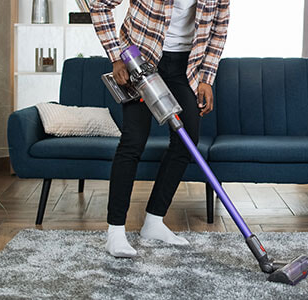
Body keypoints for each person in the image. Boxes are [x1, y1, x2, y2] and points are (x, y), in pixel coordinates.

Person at [90, 0, 230, 257]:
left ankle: (154, 221)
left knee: (187, 140)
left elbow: (219, 29)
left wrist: (207, 78)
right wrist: (115, 56)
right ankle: (115, 232)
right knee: (134, 140)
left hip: (184, 67)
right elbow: (99, 5)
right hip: (139, 60)